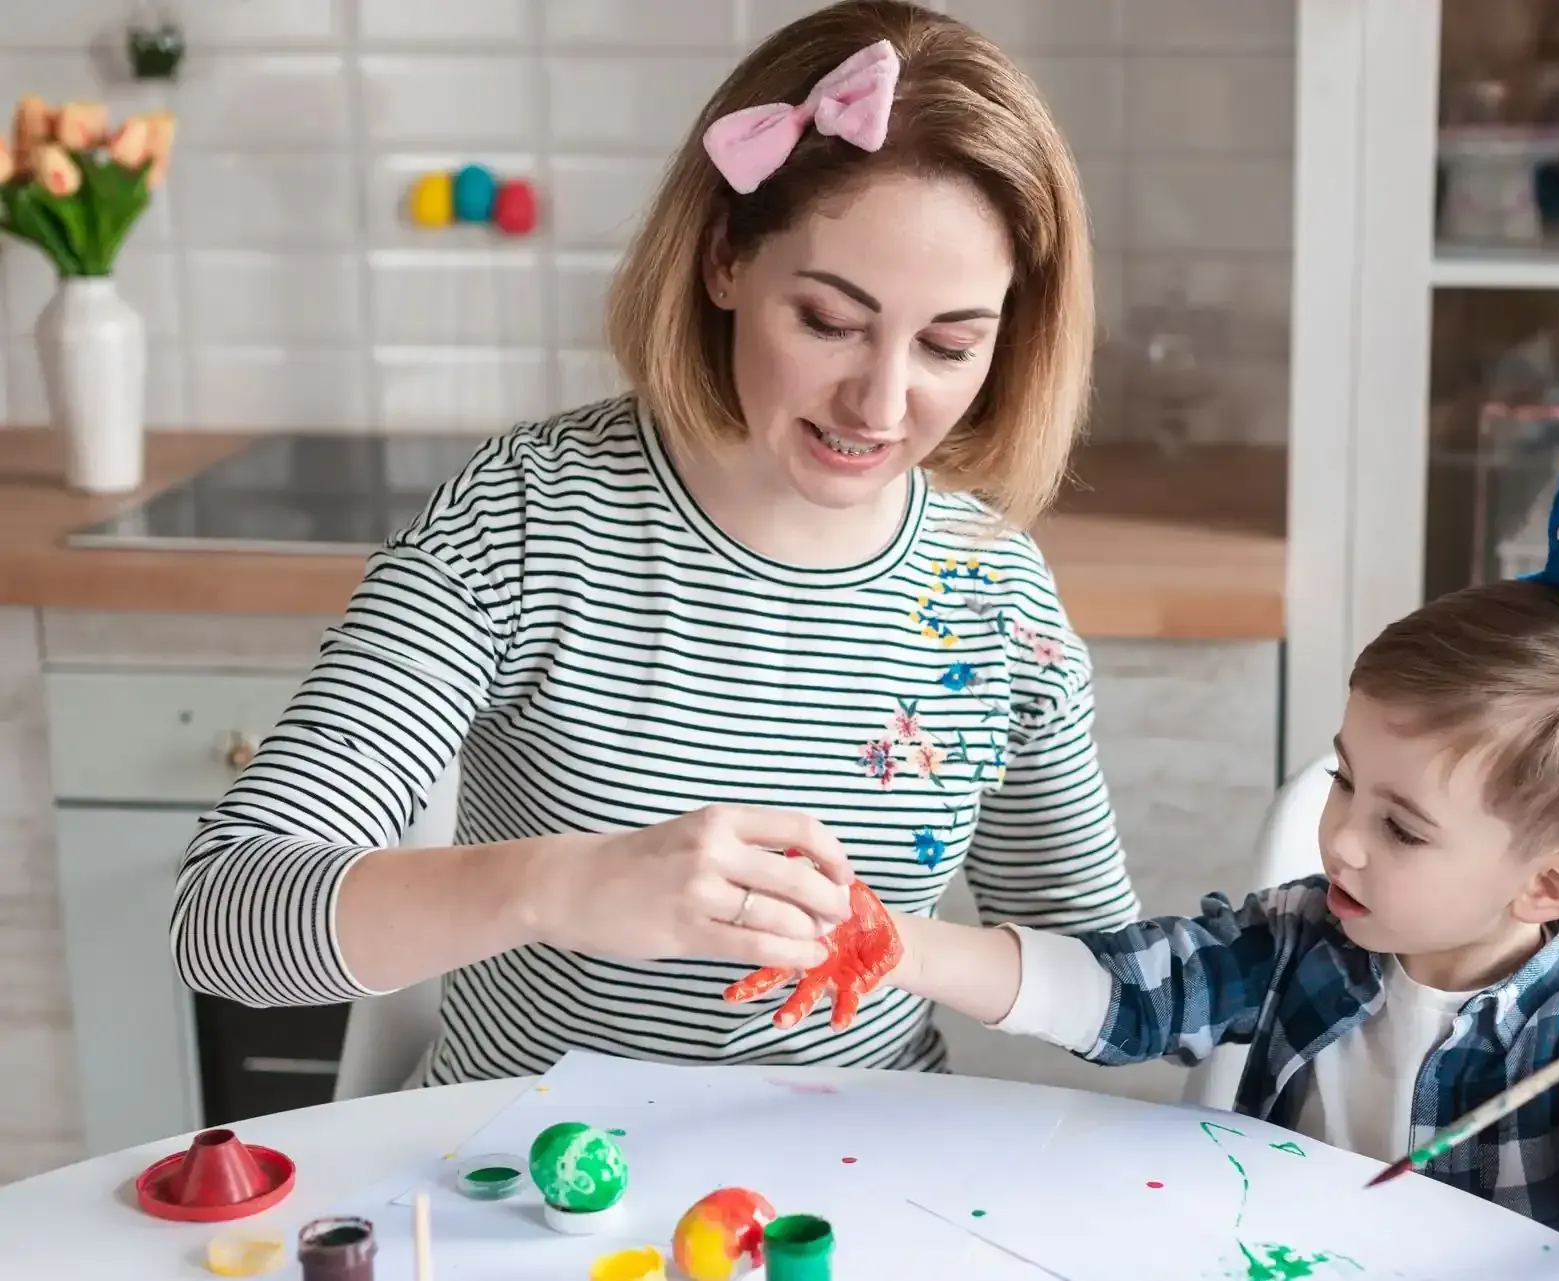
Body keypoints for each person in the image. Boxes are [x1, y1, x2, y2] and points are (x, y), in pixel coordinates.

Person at [168, 0, 1153, 1083]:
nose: (882, 403)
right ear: (725, 261)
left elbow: (1108, 985)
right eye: (829, 321)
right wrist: (559, 886)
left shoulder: (993, 596)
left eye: (950, 344)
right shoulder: (525, 523)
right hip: (529, 1185)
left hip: (857, 1190)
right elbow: (224, 914)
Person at [796, 353, 1559, 1247]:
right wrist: (902, 947)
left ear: (1549, 886)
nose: (1344, 839)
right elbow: (1119, 994)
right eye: (1346, 776)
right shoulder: (1299, 938)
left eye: (1402, 827)